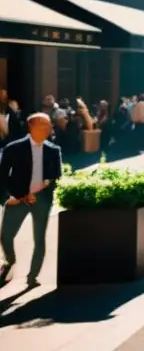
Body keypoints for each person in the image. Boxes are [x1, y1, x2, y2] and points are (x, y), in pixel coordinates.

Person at [0, 113, 62, 286]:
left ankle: (32, 276)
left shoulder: (53, 150)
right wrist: (7, 199)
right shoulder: (13, 148)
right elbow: (2, 176)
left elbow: (56, 176)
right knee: (5, 235)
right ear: (31, 127)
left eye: (49, 125)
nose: (48, 129)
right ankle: (10, 261)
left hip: (41, 200)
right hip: (17, 199)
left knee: (39, 238)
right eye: (43, 125)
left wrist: (45, 187)